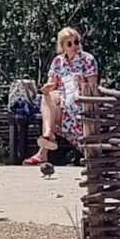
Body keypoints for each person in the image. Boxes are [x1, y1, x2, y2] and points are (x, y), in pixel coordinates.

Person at [31, 26, 99, 176]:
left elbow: (93, 89)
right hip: (62, 102)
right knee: (47, 97)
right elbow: (51, 84)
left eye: (76, 42)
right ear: (62, 46)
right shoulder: (57, 62)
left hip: (80, 102)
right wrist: (48, 88)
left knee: (50, 103)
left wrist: (82, 84)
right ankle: (49, 134)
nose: (74, 46)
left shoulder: (88, 60)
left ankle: (45, 147)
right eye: (69, 43)